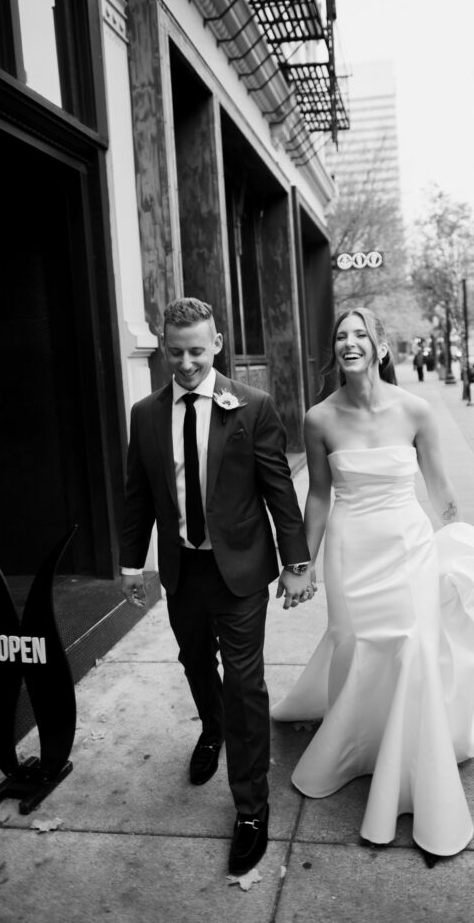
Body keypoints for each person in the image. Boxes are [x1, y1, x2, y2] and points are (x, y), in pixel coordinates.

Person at [271, 308, 474, 861]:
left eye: (360, 335)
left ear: (380, 346)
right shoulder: (318, 418)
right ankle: (357, 750)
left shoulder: (416, 410)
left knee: (413, 648)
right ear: (335, 349)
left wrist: (462, 544)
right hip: (351, 548)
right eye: (341, 336)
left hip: (409, 548)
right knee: (356, 645)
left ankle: (412, 768)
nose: (350, 343)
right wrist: (302, 562)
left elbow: (440, 488)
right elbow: (319, 496)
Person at [120, 297, 313, 876]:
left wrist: (296, 562)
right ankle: (212, 727)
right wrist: (133, 565)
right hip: (183, 569)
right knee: (194, 660)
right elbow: (138, 496)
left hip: (242, 571)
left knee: (245, 682)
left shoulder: (252, 407)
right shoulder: (145, 414)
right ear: (162, 347)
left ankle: (251, 808)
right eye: (175, 352)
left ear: (218, 344)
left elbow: (279, 489)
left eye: (197, 351)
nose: (185, 363)